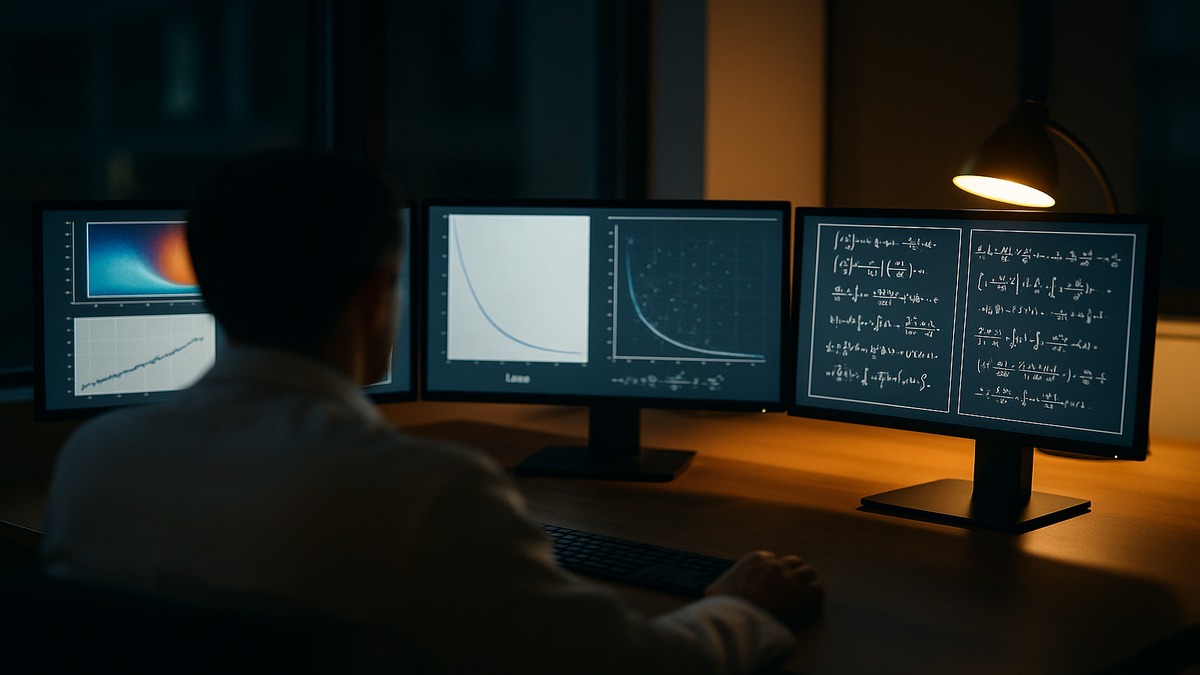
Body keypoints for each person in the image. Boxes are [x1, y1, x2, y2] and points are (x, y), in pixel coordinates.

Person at [40, 149, 824, 674]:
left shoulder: (93, 458)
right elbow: (633, 666)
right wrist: (738, 608)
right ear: (378, 292)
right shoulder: (425, 492)